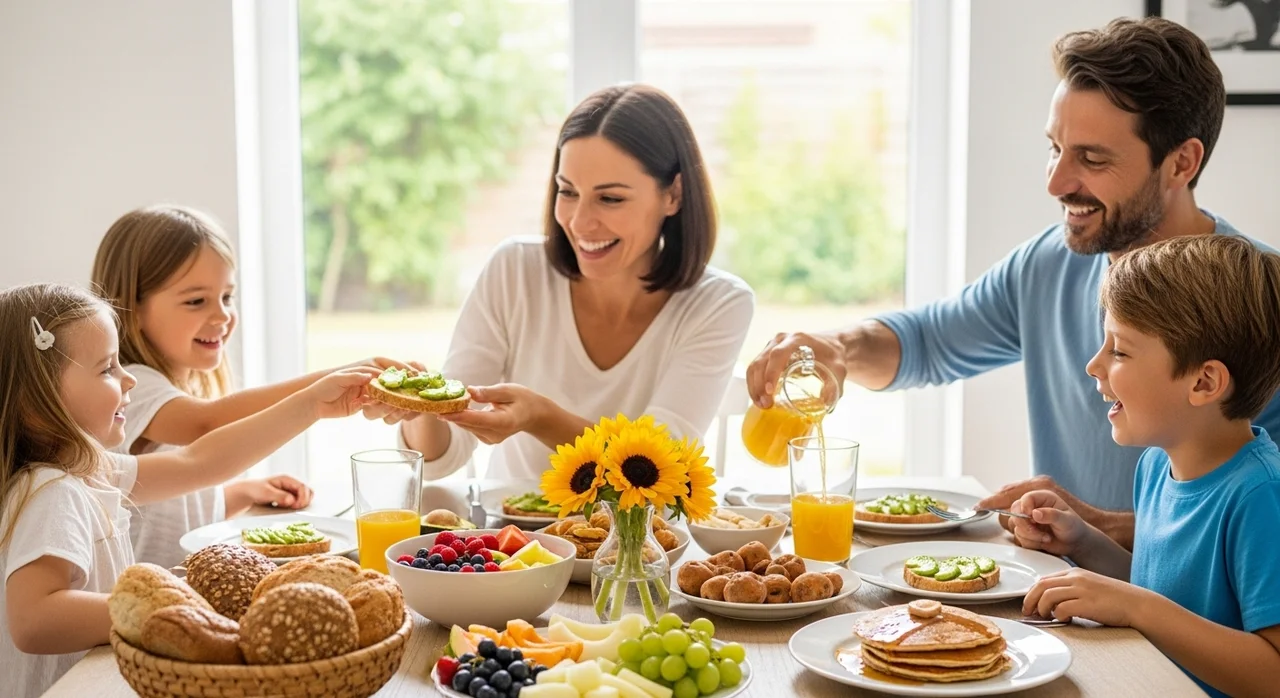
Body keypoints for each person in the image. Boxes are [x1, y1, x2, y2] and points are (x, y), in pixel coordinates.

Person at [745, 17, 1280, 549]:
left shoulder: (1258, 298)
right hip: (1067, 603)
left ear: (1181, 162)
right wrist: (836, 348)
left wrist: (1096, 526)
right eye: (1055, 148)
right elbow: (927, 342)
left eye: (1091, 159)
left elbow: (1264, 523)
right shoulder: (1050, 262)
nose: (1056, 182)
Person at [0, 283, 377, 698]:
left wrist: (311, 406)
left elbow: (197, 462)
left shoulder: (87, 472)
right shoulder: (53, 491)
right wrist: (162, 604)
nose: (128, 379)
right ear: (36, 404)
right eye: (107, 368)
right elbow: (33, 621)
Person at [361, 84, 755, 480]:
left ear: (674, 194)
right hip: (516, 539)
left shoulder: (720, 303)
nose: (580, 222)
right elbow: (442, 457)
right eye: (568, 191)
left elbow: (655, 466)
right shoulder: (514, 270)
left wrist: (540, 417)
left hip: (645, 541)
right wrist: (423, 409)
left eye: (611, 199)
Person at [1016, 236, 1280, 698]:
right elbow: (1159, 593)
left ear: (1204, 381)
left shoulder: (1262, 496)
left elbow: (1273, 674)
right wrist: (1085, 542)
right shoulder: (1157, 465)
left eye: (1119, 350)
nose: (1093, 365)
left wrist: (1137, 608)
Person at [91, 205, 397, 568]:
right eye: (196, 301)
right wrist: (327, 383)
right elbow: (205, 426)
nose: (222, 316)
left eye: (227, 297)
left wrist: (238, 494)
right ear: (133, 309)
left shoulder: (170, 388)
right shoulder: (130, 384)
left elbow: (168, 498)